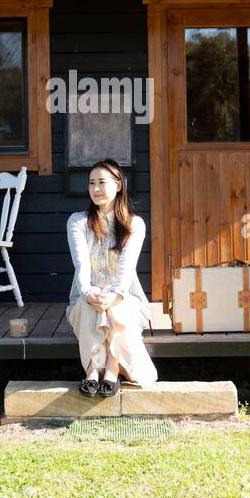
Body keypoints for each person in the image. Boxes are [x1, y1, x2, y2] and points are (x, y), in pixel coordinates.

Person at [65, 159, 158, 398]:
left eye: (102, 183)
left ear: (118, 185)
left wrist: (115, 295)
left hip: (125, 297)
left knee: (118, 308)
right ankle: (93, 371)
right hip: (87, 296)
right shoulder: (78, 222)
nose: (95, 189)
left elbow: (126, 268)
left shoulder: (134, 224)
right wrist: (87, 292)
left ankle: (110, 368)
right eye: (91, 183)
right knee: (89, 307)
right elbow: (81, 263)